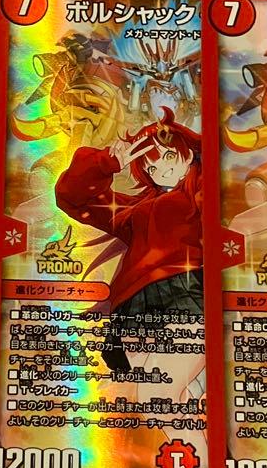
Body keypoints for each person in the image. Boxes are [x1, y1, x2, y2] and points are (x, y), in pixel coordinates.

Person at [56, 106, 202, 376]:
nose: (162, 170)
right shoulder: (134, 213)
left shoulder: (201, 195)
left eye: (169, 156)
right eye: (151, 166)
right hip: (135, 302)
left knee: (163, 384)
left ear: (189, 154)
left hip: (186, 291)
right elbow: (71, 198)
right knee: (154, 386)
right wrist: (104, 163)